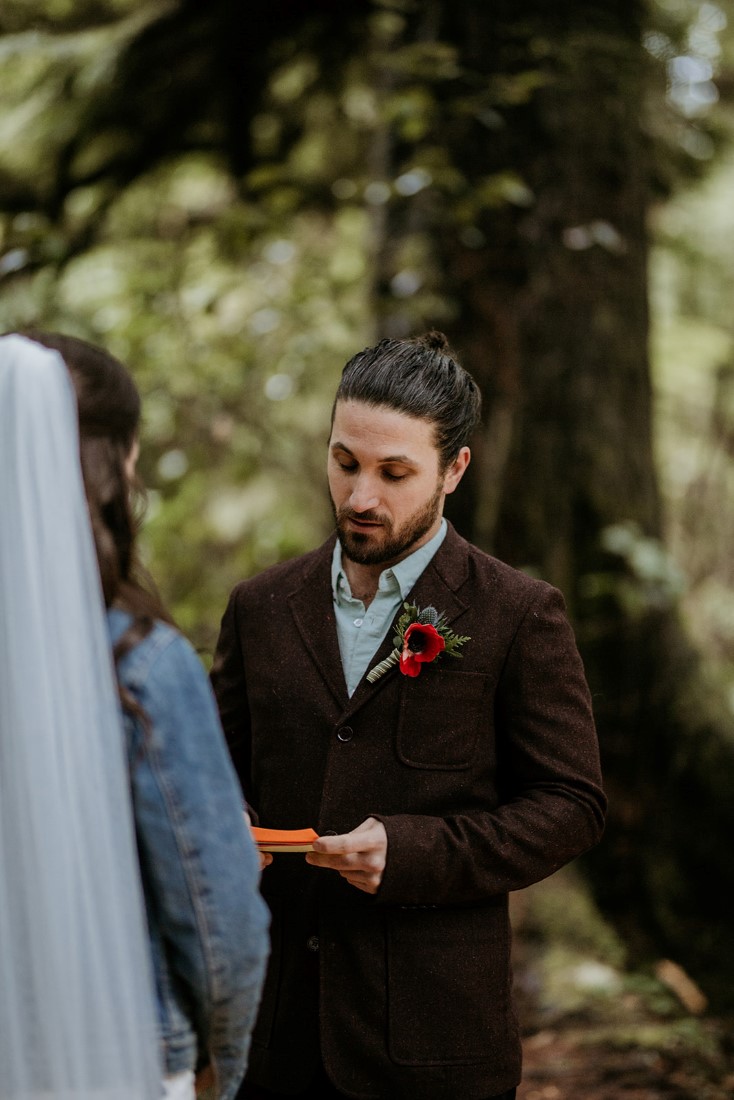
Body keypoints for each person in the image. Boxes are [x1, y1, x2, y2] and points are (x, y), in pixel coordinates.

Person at [210, 331, 606, 1100]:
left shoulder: (519, 615)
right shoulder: (257, 608)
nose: (362, 496)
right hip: (273, 1033)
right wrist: (228, 825)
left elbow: (573, 806)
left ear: (454, 469)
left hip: (436, 1042)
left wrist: (415, 852)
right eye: (345, 461)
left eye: (395, 473)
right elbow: (218, 776)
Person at [0, 332, 270, 1100]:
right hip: (120, 1059)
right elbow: (220, 931)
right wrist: (226, 1067)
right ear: (110, 470)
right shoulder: (140, 666)